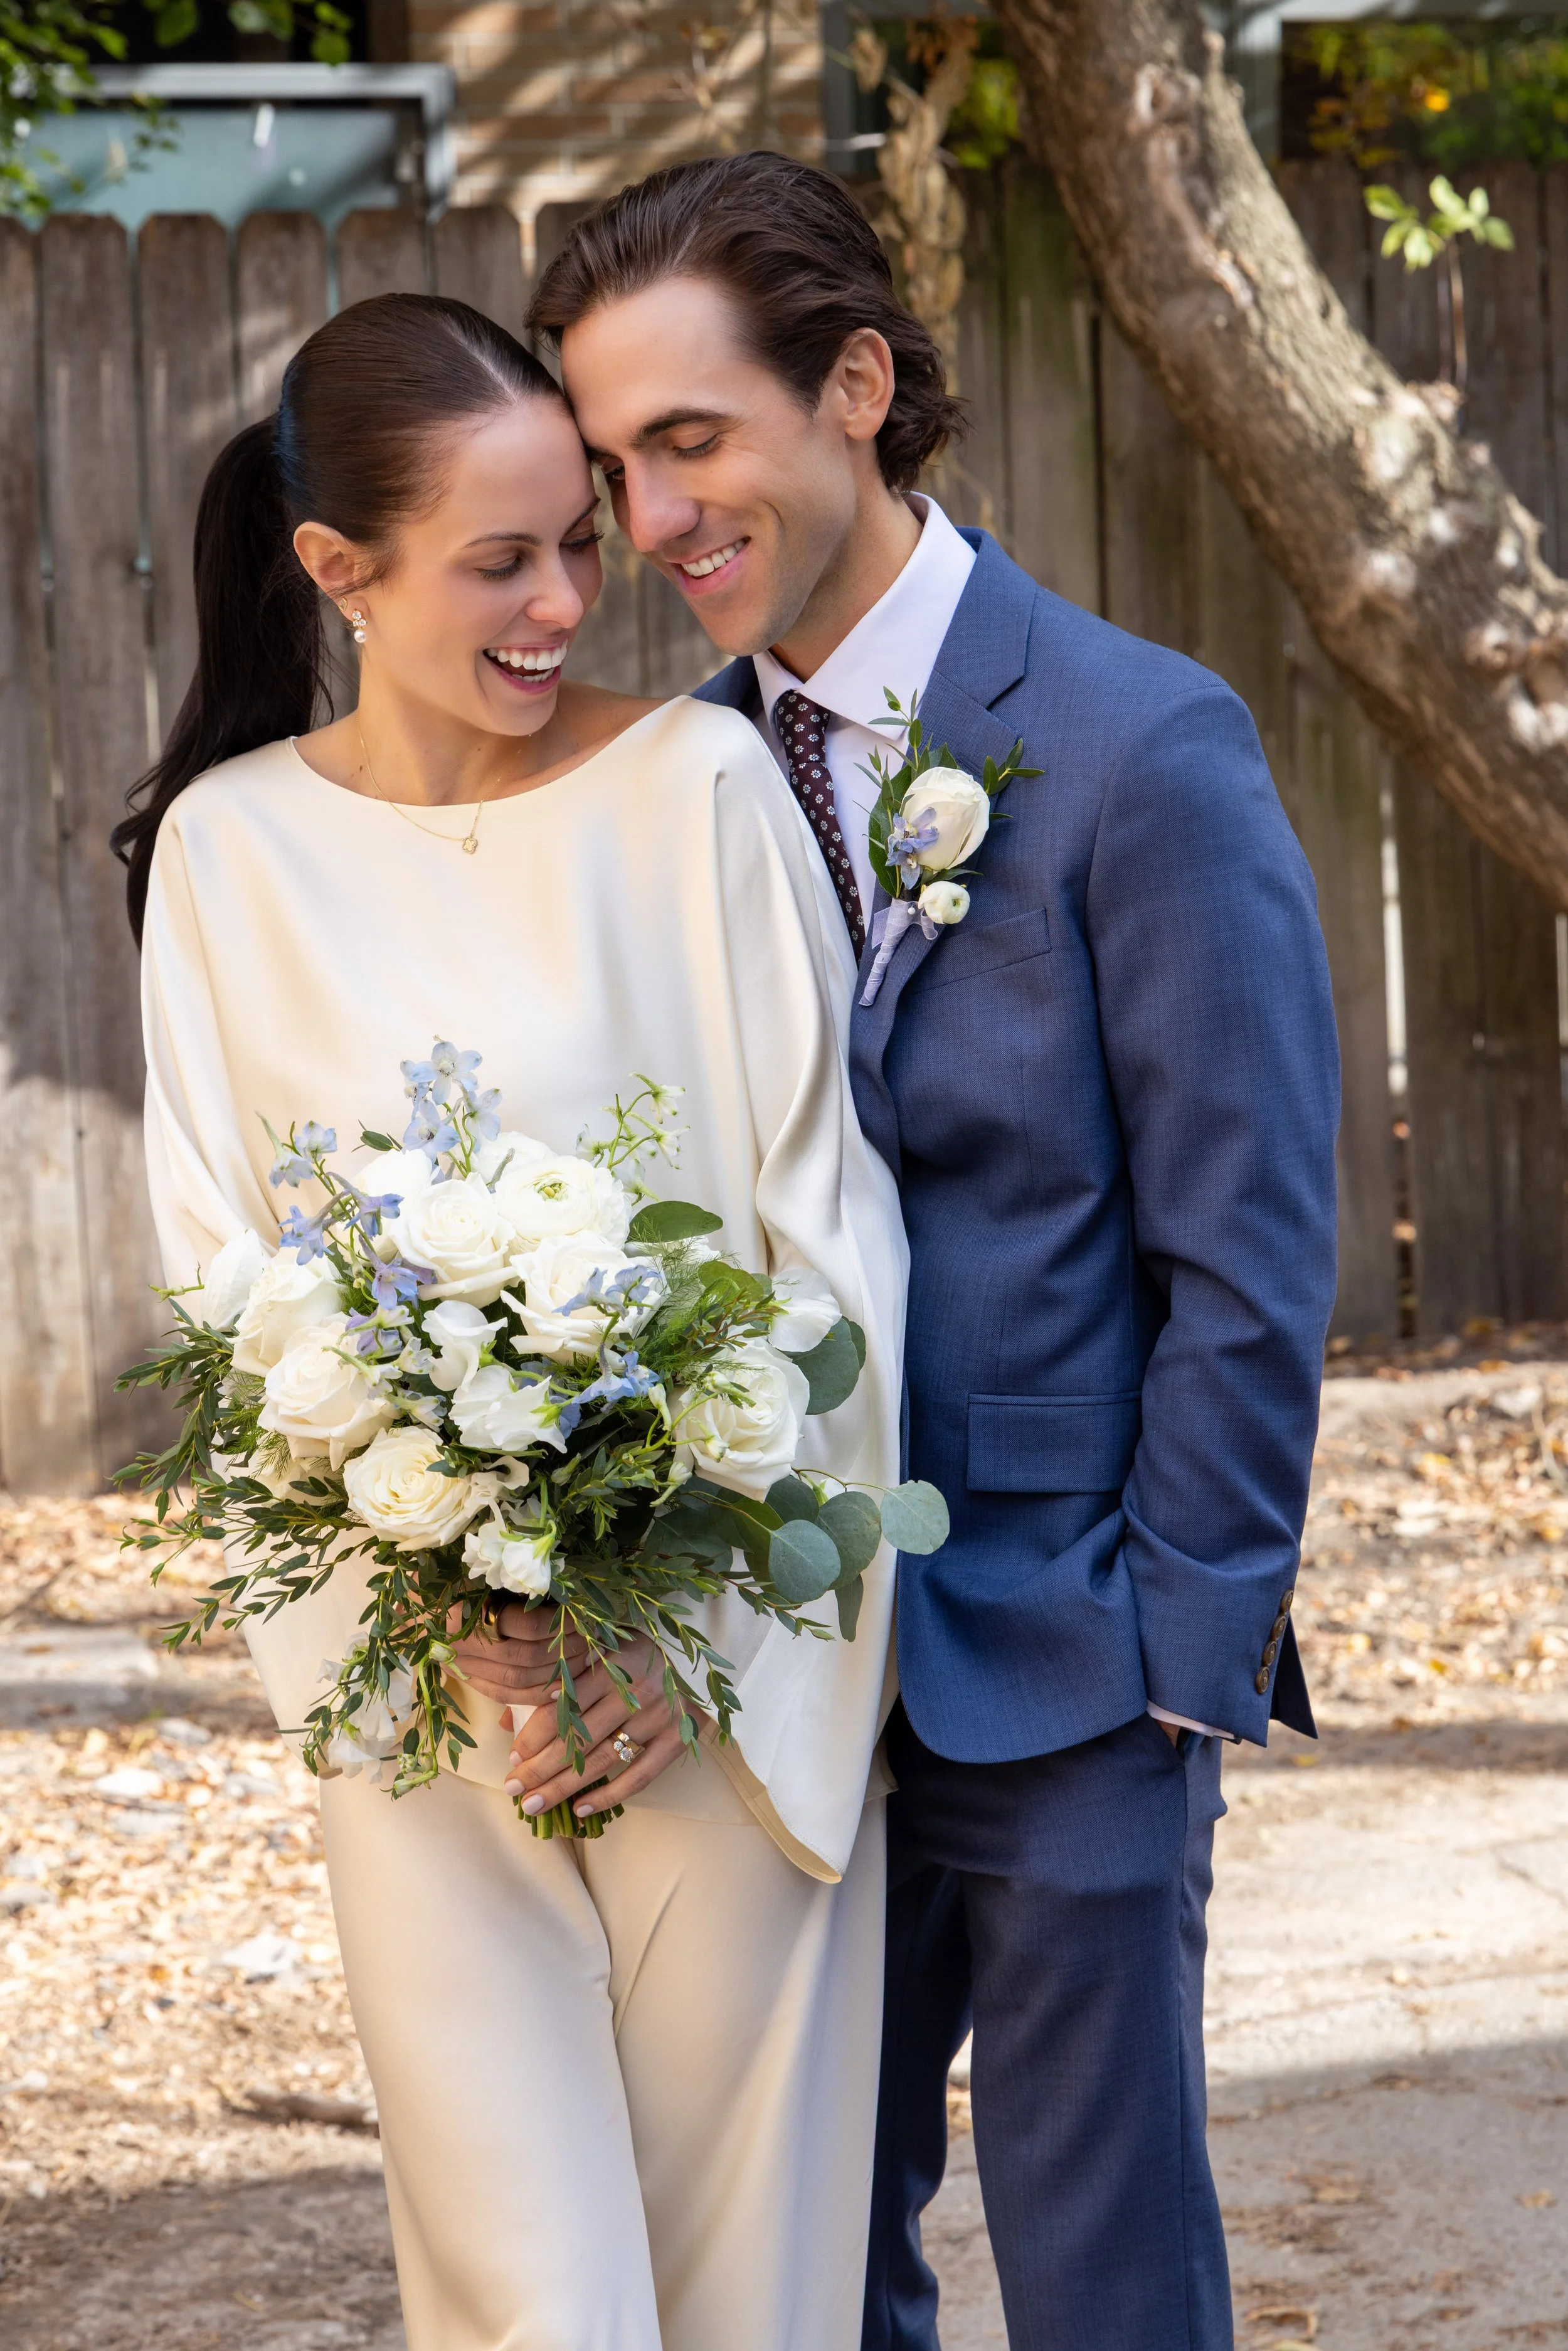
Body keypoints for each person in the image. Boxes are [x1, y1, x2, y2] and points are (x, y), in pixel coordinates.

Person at [526, 151, 1341, 2351]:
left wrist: (1184, 1643)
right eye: (611, 465)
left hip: (1070, 1651)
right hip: (773, 1679)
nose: (650, 515)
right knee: (794, 2277)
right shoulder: (669, 786)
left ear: (856, 385)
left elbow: (1250, 1246)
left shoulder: (1134, 744)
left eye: (687, 438)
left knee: (1101, 2279)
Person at [116, 290, 908, 2351]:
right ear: (336, 572)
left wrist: (682, 1631)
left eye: (579, 536)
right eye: (503, 558)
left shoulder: (703, 797)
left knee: (751, 2307)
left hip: (712, 1686)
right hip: (426, 1710)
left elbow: (818, 1242)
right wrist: (443, 1604)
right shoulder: (228, 858)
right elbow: (226, 1275)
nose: (570, 596)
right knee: (530, 2310)